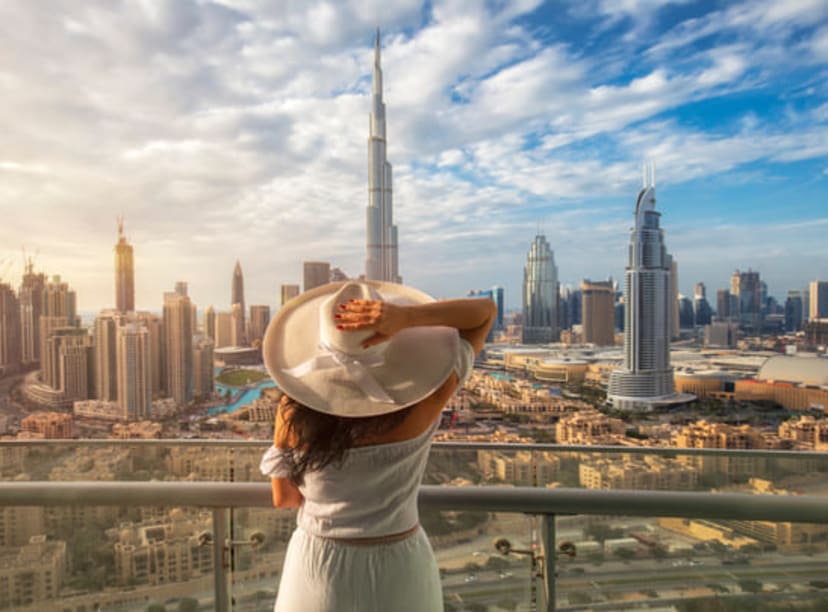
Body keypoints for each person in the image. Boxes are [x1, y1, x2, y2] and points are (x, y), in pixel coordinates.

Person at [259, 280, 496, 612]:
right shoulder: (426, 399)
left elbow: (285, 499)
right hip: (400, 561)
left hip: (317, 565)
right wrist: (406, 318)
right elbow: (484, 312)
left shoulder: (292, 411)